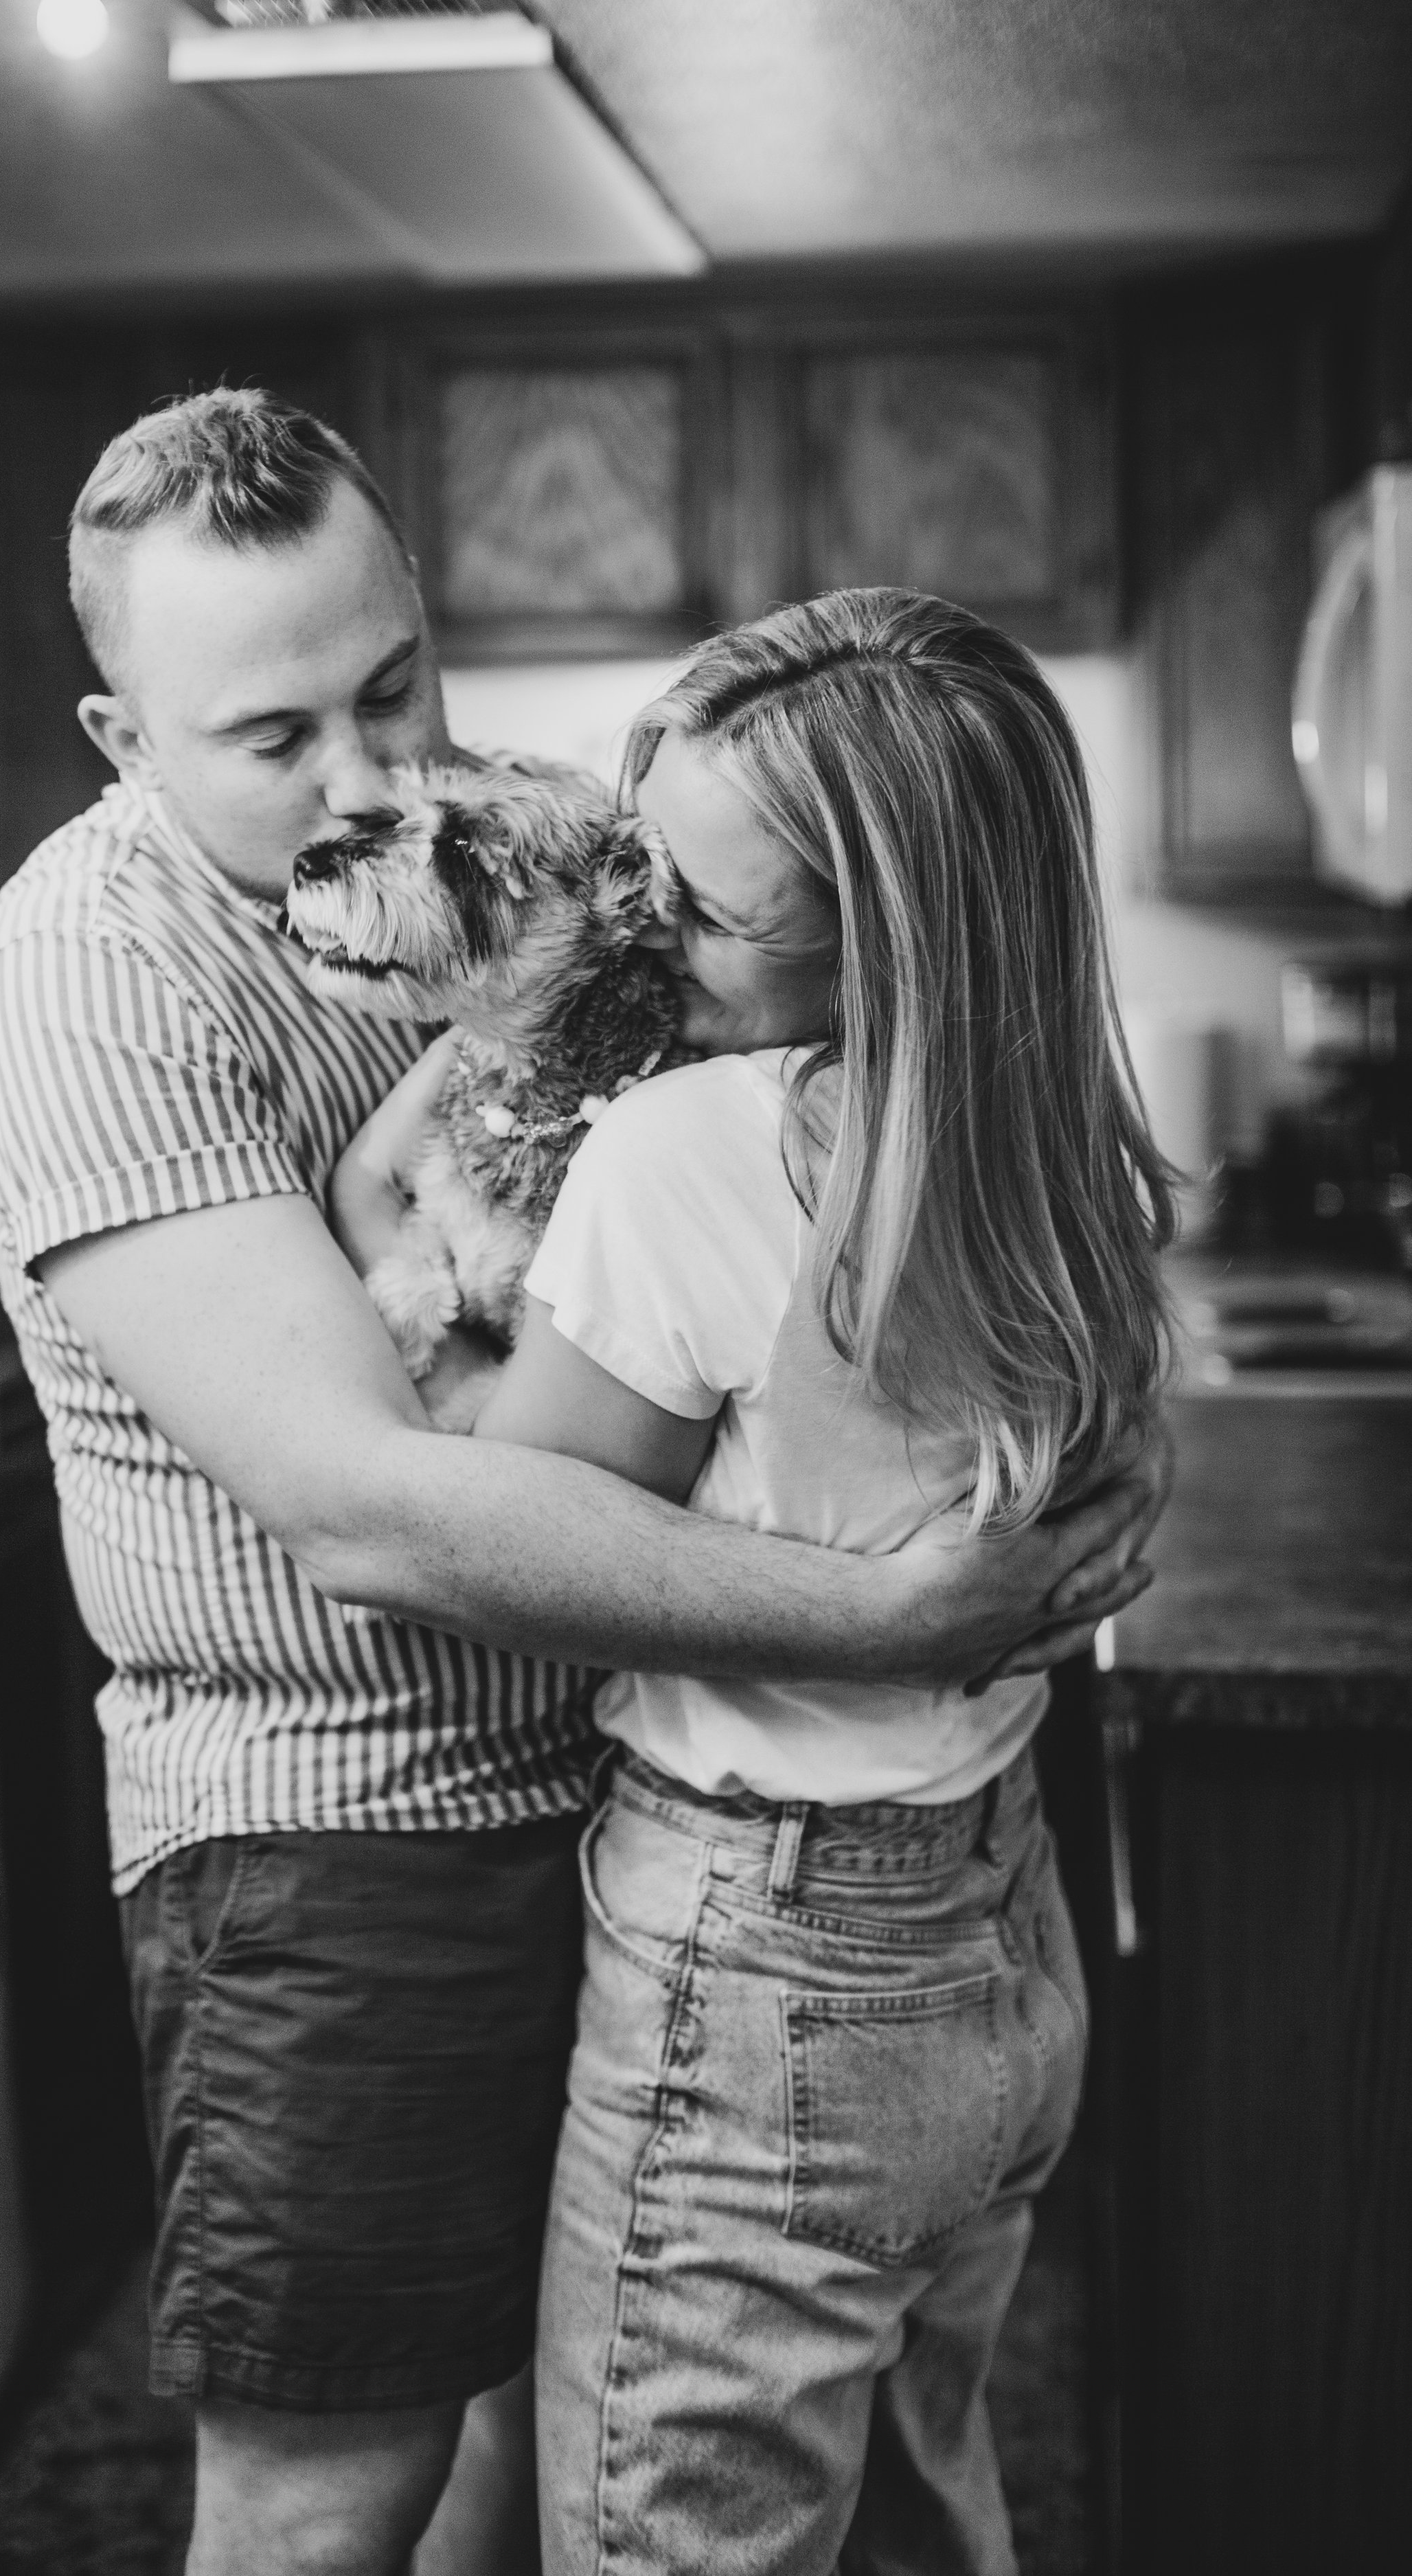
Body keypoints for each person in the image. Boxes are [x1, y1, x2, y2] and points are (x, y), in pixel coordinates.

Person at [0, 390, 1166, 2576]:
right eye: (273, 738)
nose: (369, 778)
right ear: (122, 736)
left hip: (630, 1803)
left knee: (559, 2468)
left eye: (393, 686)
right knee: (339, 2490)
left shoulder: (526, 849)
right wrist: (907, 1614)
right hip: (350, 1840)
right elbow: (366, 1506)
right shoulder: (82, 983)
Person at [407, 589, 1167, 2575]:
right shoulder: (1053, 1127)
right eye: (639, 857)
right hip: (993, 1931)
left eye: (707, 915)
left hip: (772, 1971)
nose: (636, 933)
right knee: (913, 2509)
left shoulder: (695, 1150)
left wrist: (426, 1307)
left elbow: (514, 1536)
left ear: (884, 940)